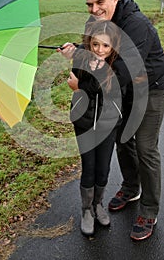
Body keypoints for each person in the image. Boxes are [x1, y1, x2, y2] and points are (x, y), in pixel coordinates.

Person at [59, 0, 164, 241]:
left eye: (100, 2)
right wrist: (76, 52)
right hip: (121, 87)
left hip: (150, 86)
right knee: (123, 139)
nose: (94, 9)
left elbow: (119, 75)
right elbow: (89, 55)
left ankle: (149, 211)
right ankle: (132, 188)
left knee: (145, 146)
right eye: (89, 4)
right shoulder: (95, 21)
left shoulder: (136, 25)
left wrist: (80, 88)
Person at [68, 20, 122, 236]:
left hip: (107, 125)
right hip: (84, 123)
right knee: (88, 168)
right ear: (89, 44)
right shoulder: (81, 58)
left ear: (113, 47)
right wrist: (75, 51)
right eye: (95, 45)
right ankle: (86, 210)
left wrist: (83, 84)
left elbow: (101, 88)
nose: (100, 50)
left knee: (103, 168)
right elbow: (75, 80)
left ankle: (98, 204)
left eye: (106, 46)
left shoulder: (118, 66)